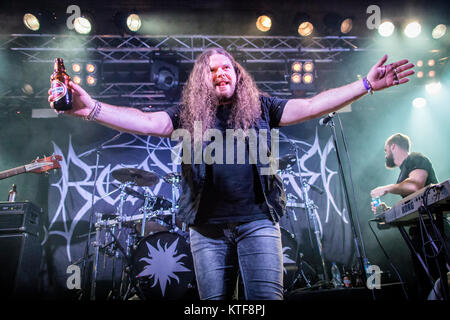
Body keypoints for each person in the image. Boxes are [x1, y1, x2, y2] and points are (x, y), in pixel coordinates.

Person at [49, 48, 414, 300]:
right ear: (201, 82)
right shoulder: (188, 116)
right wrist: (88, 108)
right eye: (211, 70)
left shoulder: (263, 108)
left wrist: (366, 85)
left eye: (226, 67)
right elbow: (144, 122)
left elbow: (312, 104)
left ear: (237, 74)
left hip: (257, 223)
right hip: (206, 229)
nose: (220, 72)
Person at [370, 133, 448, 299]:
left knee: (443, 278)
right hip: (420, 232)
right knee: (427, 282)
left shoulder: (415, 158)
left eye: (385, 150)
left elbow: (415, 186)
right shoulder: (403, 172)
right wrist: (388, 209)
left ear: (393, 146)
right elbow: (413, 204)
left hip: (435, 229)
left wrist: (388, 188)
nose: (385, 155)